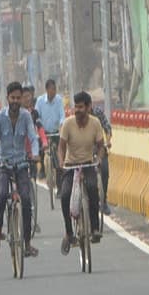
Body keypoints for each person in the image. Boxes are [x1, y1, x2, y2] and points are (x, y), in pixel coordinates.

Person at [0, 81, 39, 256]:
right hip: (3, 165)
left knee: (26, 199)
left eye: (18, 98)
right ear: (7, 98)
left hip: (22, 164)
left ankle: (27, 243)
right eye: (13, 98)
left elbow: (33, 137)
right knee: (2, 194)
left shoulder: (26, 117)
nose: (16, 101)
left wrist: (36, 153)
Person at [56, 91, 106, 255]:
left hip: (88, 164)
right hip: (71, 166)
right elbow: (61, 147)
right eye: (75, 107)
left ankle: (95, 227)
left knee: (92, 189)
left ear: (88, 107)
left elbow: (100, 146)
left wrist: (98, 159)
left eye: (81, 107)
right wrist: (62, 162)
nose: (77, 110)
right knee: (64, 195)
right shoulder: (68, 124)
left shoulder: (95, 123)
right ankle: (69, 232)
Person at [37, 79, 66, 185]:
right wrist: (39, 126)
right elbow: (37, 115)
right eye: (51, 89)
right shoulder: (40, 101)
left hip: (55, 132)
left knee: (58, 157)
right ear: (47, 90)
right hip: (43, 132)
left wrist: (62, 125)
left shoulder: (58, 100)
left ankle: (59, 184)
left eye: (55, 89)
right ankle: (42, 169)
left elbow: (62, 115)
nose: (53, 92)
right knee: (40, 149)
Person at [91, 100, 113, 213]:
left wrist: (108, 141)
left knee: (105, 171)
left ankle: (103, 201)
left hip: (99, 148)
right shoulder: (77, 117)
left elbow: (107, 127)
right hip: (85, 151)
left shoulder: (98, 113)